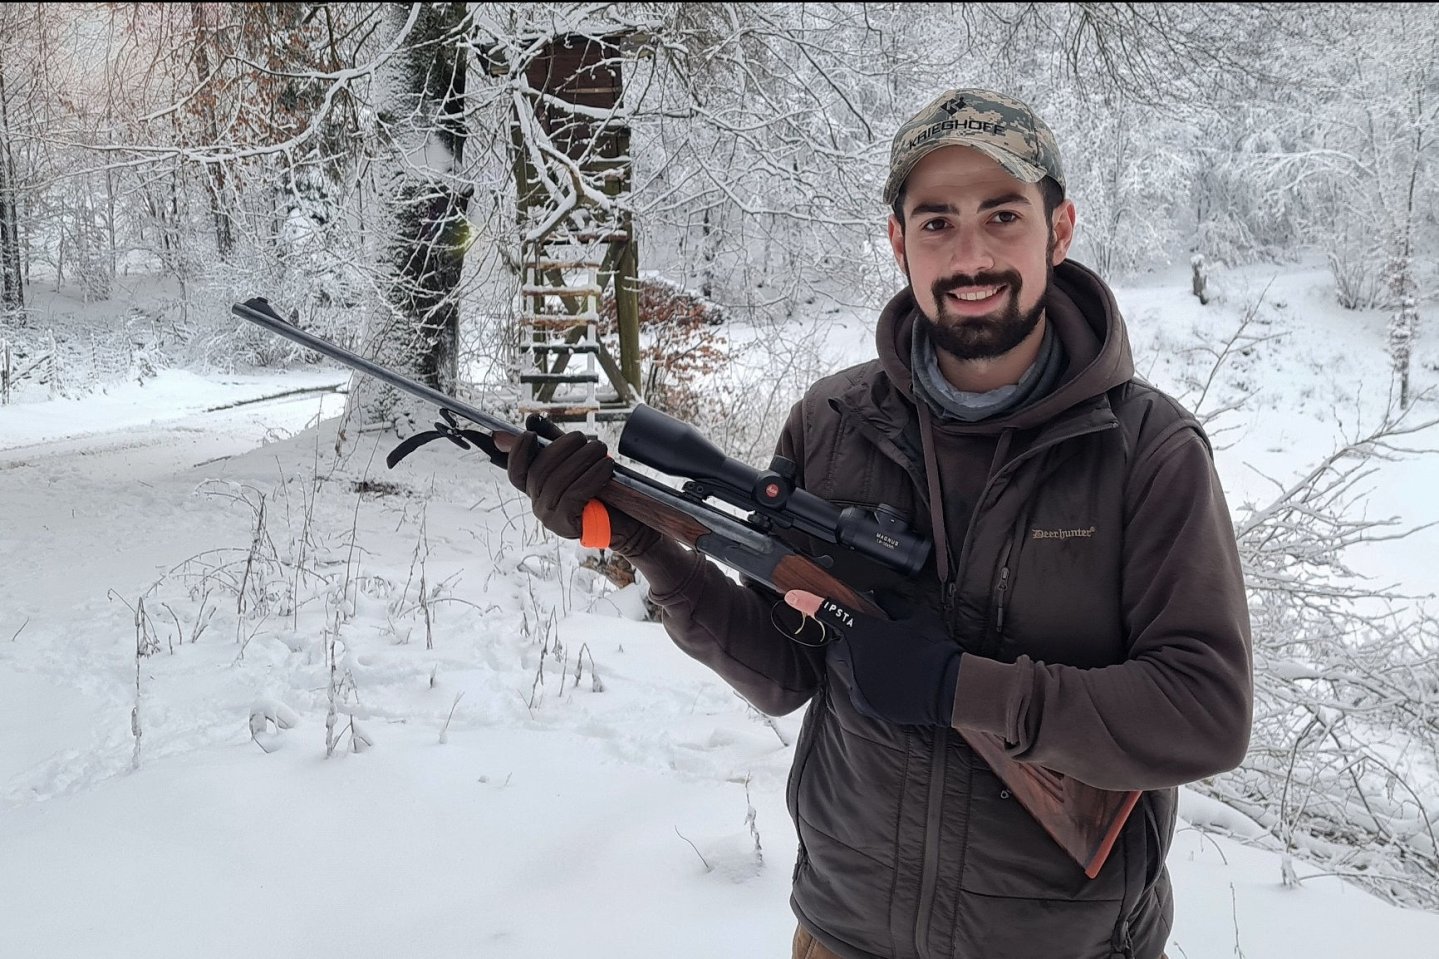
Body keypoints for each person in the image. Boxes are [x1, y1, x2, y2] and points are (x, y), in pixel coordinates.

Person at [495, 88, 1253, 959]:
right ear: (898, 241)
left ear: (1060, 228)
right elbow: (783, 669)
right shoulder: (831, 420)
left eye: (1001, 216)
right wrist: (644, 544)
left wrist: (956, 687)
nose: (969, 254)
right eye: (935, 222)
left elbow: (1205, 711)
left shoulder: (1147, 450)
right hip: (842, 931)